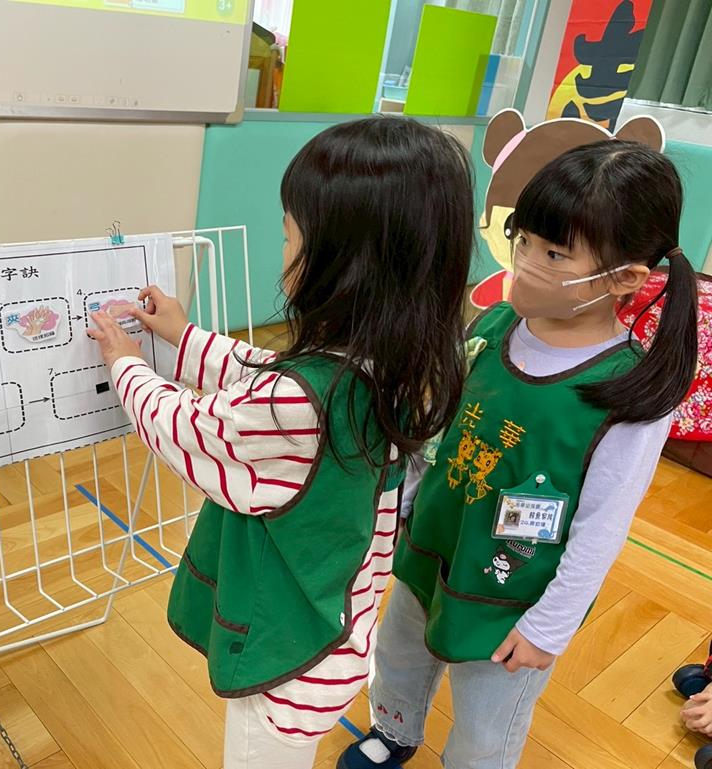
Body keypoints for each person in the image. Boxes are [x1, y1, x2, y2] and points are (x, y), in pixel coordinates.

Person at [87, 116, 475, 769]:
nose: (283, 248)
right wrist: (183, 338)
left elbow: (192, 427)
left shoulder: (299, 403)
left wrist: (126, 363)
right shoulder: (396, 362)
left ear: (341, 261)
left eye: (289, 234)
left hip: (288, 662)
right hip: (337, 627)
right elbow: (264, 375)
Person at [339, 141, 699, 769]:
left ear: (625, 279)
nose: (526, 262)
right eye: (523, 240)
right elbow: (443, 429)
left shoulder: (629, 391)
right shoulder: (493, 325)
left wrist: (549, 627)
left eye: (555, 254)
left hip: (514, 593)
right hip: (434, 545)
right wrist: (402, 506)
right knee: (399, 653)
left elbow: (601, 527)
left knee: (488, 716)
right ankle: (394, 729)